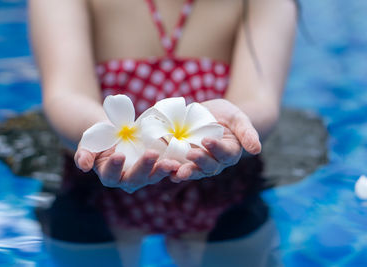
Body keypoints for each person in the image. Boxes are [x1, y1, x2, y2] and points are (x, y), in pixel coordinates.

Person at [29, 0, 296, 265]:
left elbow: (258, 100)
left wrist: (236, 121)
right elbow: (65, 93)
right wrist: (101, 133)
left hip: (222, 187)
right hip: (93, 187)